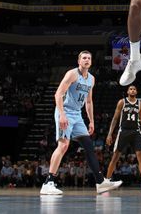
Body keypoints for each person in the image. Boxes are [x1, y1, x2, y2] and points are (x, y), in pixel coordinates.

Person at [40, 51, 122, 195]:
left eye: (89, 58)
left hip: (77, 115)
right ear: (79, 61)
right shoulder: (72, 74)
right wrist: (62, 115)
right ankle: (48, 182)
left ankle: (100, 182)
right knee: (64, 145)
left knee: (89, 146)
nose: (87, 60)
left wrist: (91, 121)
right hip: (64, 111)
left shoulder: (91, 79)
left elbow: (88, 101)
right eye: (84, 58)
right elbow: (58, 94)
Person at [105, 85, 141, 192]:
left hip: (136, 131)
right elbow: (115, 118)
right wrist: (109, 134)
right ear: (127, 91)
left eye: (134, 89)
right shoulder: (122, 102)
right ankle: (107, 182)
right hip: (123, 131)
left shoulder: (140, 104)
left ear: (136, 92)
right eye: (131, 89)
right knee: (115, 157)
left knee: (140, 157)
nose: (132, 90)